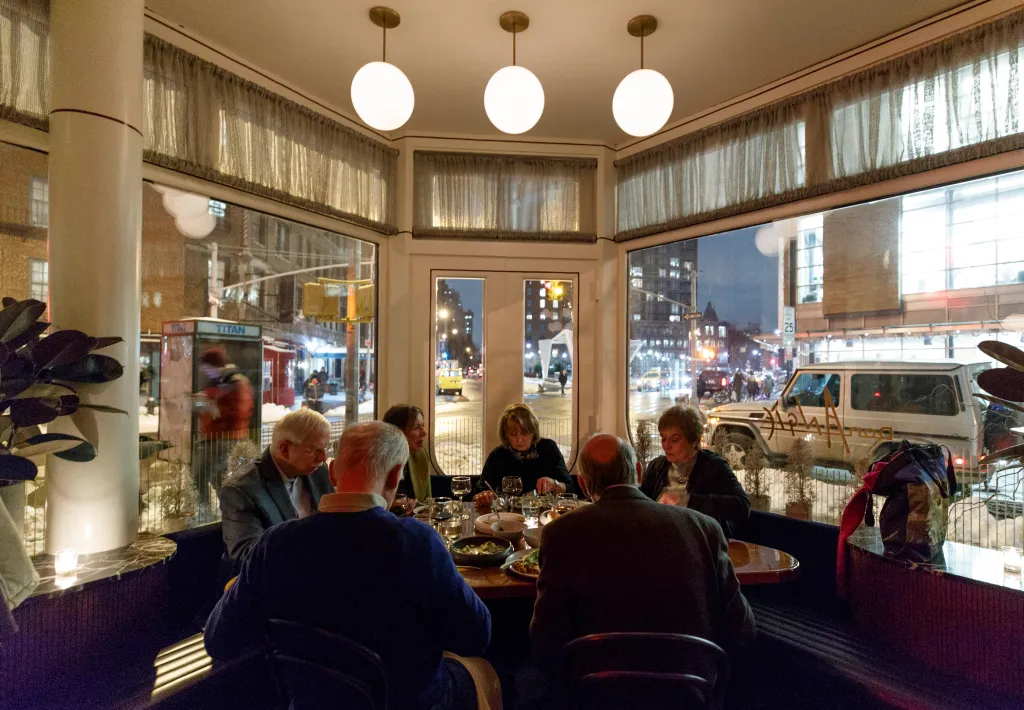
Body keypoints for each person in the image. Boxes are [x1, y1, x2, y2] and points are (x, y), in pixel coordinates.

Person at [205, 421, 492, 710]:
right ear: (395, 476)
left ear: (331, 473)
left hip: (310, 702)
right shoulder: (417, 543)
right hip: (405, 701)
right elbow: (476, 637)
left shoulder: (273, 545)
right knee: (483, 671)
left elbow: (219, 639)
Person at [530, 433, 755, 670]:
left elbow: (545, 641)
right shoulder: (706, 528)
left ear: (584, 485)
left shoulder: (561, 533)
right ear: (638, 472)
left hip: (596, 689)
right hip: (689, 688)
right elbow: (742, 630)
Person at [218, 409, 334, 566]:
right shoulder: (241, 490)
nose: (323, 458)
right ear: (285, 449)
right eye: (313, 450)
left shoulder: (318, 471)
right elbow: (246, 553)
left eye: (325, 447)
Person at [639, 406, 750, 537]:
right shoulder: (656, 467)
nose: (666, 445)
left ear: (694, 440)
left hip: (703, 543)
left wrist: (687, 500)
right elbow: (641, 507)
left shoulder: (714, 466)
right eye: (663, 438)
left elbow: (742, 507)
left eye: (674, 439)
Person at [473, 404, 574, 505]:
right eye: (513, 434)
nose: (519, 439)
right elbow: (477, 494)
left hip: (543, 513)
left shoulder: (548, 448)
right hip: (508, 515)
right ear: (505, 435)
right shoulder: (498, 455)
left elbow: (571, 489)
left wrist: (554, 484)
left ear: (533, 432)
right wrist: (484, 496)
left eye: (524, 433)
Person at [192, 348, 255, 507]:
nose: (206, 373)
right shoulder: (221, 381)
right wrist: (203, 402)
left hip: (224, 440)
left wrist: (213, 409)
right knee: (218, 478)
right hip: (215, 438)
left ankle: (205, 512)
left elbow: (240, 412)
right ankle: (227, 510)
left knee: (200, 476)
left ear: (216, 365)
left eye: (207, 368)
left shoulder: (236, 382)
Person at [382, 403, 431, 502]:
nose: (424, 433)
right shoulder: (381, 461)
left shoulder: (420, 455)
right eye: (416, 427)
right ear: (398, 432)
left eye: (423, 426)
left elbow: (427, 499)